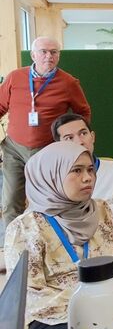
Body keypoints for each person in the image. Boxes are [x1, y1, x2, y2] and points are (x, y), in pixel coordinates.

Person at [3, 141, 113, 329]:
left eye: (90, 169)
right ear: (51, 175)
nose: (88, 177)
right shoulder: (25, 228)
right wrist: (93, 301)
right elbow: (31, 296)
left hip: (112, 310)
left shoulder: (101, 211)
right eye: (76, 170)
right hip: (55, 323)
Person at [0, 37, 91, 249]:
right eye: (43, 52)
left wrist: (73, 141)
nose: (48, 56)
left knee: (46, 201)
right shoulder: (15, 78)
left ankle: (46, 247)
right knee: (11, 200)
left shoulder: (68, 82)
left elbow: (83, 113)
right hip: (14, 148)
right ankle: (13, 249)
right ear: (33, 55)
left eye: (54, 52)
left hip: (47, 150)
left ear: (59, 55)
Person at [51, 113, 113, 231]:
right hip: (72, 242)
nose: (80, 142)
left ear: (93, 137)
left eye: (83, 133)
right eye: (69, 138)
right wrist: (104, 209)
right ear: (59, 145)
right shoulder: (55, 177)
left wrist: (77, 214)